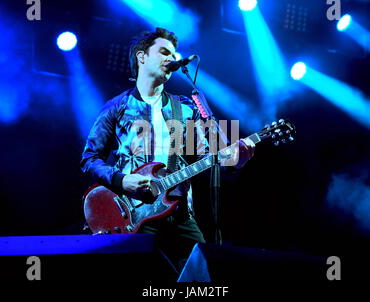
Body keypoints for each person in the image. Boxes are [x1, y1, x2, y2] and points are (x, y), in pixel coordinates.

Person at [80, 27, 255, 274]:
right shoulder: (117, 106)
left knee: (204, 275)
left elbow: (206, 160)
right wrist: (122, 180)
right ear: (142, 57)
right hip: (132, 215)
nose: (171, 58)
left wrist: (232, 163)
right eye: (164, 52)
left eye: (173, 54)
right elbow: (90, 159)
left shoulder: (185, 109)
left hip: (180, 213)